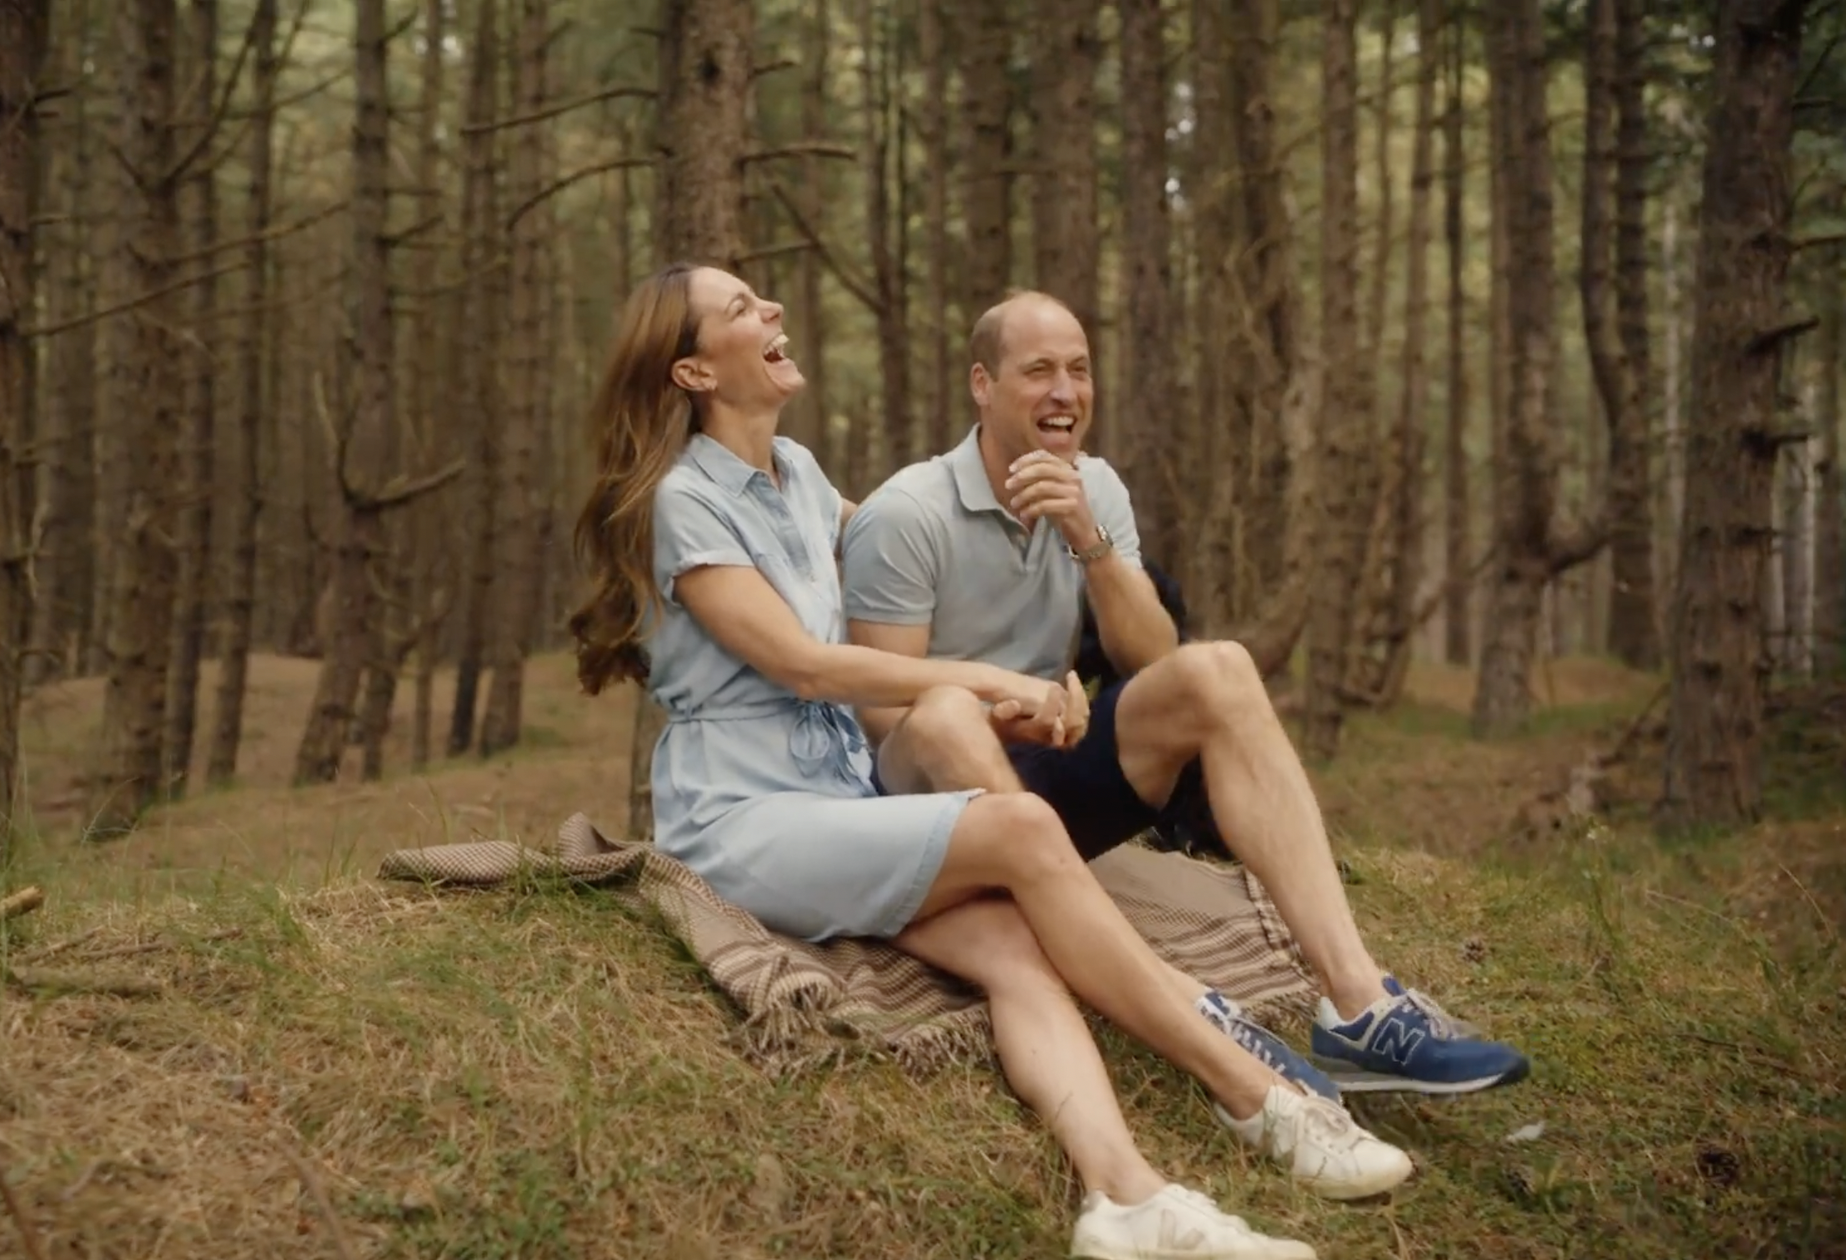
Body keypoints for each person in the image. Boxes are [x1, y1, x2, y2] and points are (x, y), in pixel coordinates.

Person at [567, 262, 1410, 1260]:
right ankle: (1249, 1085)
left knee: (1015, 947)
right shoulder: (681, 500)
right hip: (743, 815)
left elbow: (898, 558)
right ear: (694, 372)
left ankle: (1128, 1200)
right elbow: (799, 664)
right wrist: (987, 683)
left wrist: (1048, 634)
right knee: (1019, 828)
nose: (773, 310)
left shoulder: (798, 478)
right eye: (742, 309)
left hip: (841, 800)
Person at [839, 289, 1531, 1097]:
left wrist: (1088, 541)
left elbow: (1152, 658)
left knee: (1219, 668)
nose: (1066, 391)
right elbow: (880, 711)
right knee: (945, 714)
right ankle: (1161, 987)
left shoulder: (1095, 490)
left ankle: (1359, 1006)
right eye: (1038, 372)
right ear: (983, 386)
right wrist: (1002, 712)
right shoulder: (907, 513)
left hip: (1047, 771)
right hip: (933, 808)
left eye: (1079, 370)